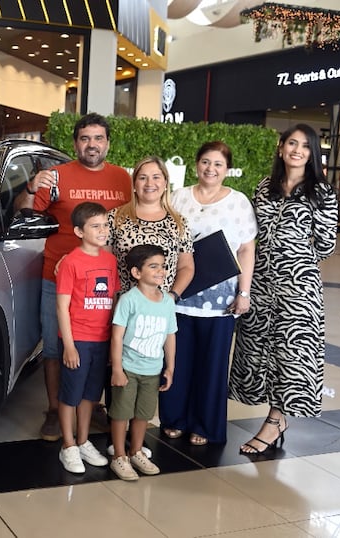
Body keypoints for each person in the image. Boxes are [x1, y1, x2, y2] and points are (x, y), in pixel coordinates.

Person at [15, 113, 131, 441]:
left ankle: (91, 406)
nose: (91, 144)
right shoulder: (54, 175)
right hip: (59, 278)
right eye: (85, 138)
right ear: (75, 143)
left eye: (98, 138)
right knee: (55, 346)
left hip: (106, 281)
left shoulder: (122, 178)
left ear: (107, 143)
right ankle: (54, 410)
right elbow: (25, 213)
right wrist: (29, 187)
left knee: (101, 345)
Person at [229, 123, 338, 455]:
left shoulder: (322, 191)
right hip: (261, 282)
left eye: (305, 146)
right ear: (281, 147)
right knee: (259, 351)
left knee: (292, 354)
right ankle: (273, 414)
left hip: (298, 286)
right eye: (292, 143)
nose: (297, 150)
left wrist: (294, 255)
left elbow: (327, 244)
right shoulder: (264, 187)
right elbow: (248, 231)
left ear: (312, 153)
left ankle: (276, 420)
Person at [159, 141, 257, 445]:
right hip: (181, 296)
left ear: (227, 169)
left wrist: (244, 292)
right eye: (205, 162)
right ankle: (174, 418)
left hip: (221, 301)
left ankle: (204, 424)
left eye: (217, 164)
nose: (210, 169)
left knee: (212, 365)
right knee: (177, 360)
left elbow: (246, 249)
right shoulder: (178, 198)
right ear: (196, 164)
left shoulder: (238, 202)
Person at [106, 155, 194, 455]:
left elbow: (186, 267)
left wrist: (170, 298)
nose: (150, 183)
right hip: (122, 307)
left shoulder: (178, 222)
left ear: (166, 183)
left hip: (156, 313)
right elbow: (99, 257)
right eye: (143, 177)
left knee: (147, 375)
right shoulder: (116, 217)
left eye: (156, 177)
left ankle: (136, 444)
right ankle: (117, 441)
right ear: (134, 183)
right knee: (120, 373)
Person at [55, 202, 120, 473]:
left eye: (105, 225)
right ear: (79, 231)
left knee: (90, 395)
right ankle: (68, 446)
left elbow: (113, 299)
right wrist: (69, 346)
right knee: (71, 394)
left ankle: (83, 441)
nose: (103, 230)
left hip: (101, 340)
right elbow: (61, 306)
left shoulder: (110, 260)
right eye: (96, 226)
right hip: (77, 339)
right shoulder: (71, 262)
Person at [108, 244, 177, 481]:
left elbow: (170, 335)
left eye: (163, 266)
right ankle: (119, 455)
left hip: (152, 370)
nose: (161, 271)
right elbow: (117, 336)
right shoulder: (129, 300)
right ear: (136, 273)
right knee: (121, 413)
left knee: (143, 415)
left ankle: (136, 451)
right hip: (128, 368)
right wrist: (117, 368)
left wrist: (170, 366)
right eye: (153, 266)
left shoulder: (167, 301)